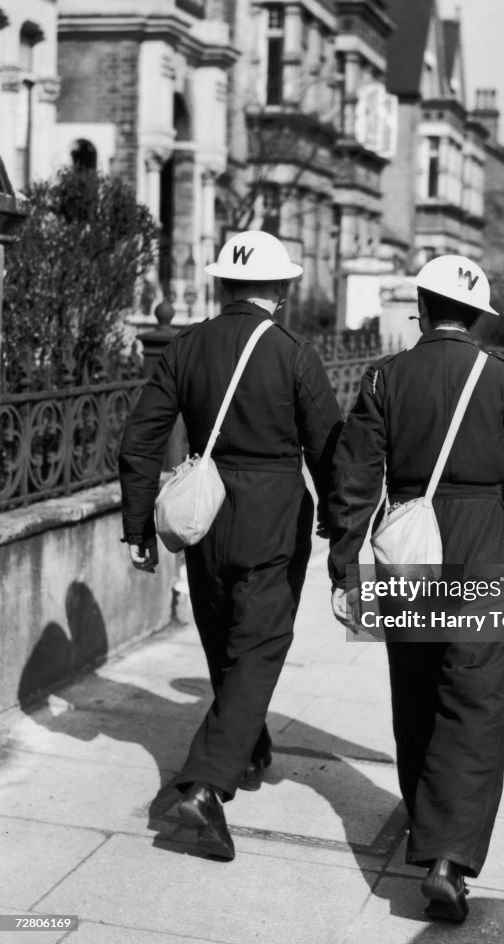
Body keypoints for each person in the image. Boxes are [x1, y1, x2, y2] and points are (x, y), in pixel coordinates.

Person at [327, 255, 504, 922]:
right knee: (476, 701)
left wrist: (345, 564)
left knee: (416, 690)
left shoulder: (385, 377)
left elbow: (353, 478)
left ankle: (424, 823)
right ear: (480, 317)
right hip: (487, 547)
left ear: (424, 310)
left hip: (410, 552)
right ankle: (447, 859)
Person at [119, 230, 342, 861]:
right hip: (271, 516)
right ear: (281, 288)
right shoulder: (294, 353)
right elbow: (329, 447)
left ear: (222, 283)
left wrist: (139, 527)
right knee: (261, 645)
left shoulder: (186, 346)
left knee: (223, 638)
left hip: (204, 512)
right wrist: (337, 521)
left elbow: (139, 440)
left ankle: (249, 745)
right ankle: (206, 785)